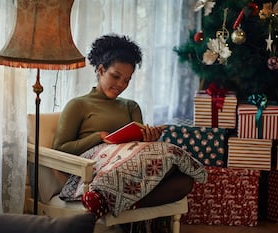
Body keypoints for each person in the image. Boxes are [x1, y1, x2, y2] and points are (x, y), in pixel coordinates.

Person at [52, 34, 195, 219]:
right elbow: (60, 149)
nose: (121, 84)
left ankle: (115, 203)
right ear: (101, 70)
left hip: (133, 170)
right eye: (116, 76)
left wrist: (148, 139)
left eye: (127, 80)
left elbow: (139, 149)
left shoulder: (131, 106)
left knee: (185, 180)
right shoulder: (78, 105)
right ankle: (112, 199)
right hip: (98, 170)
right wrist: (98, 136)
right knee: (171, 164)